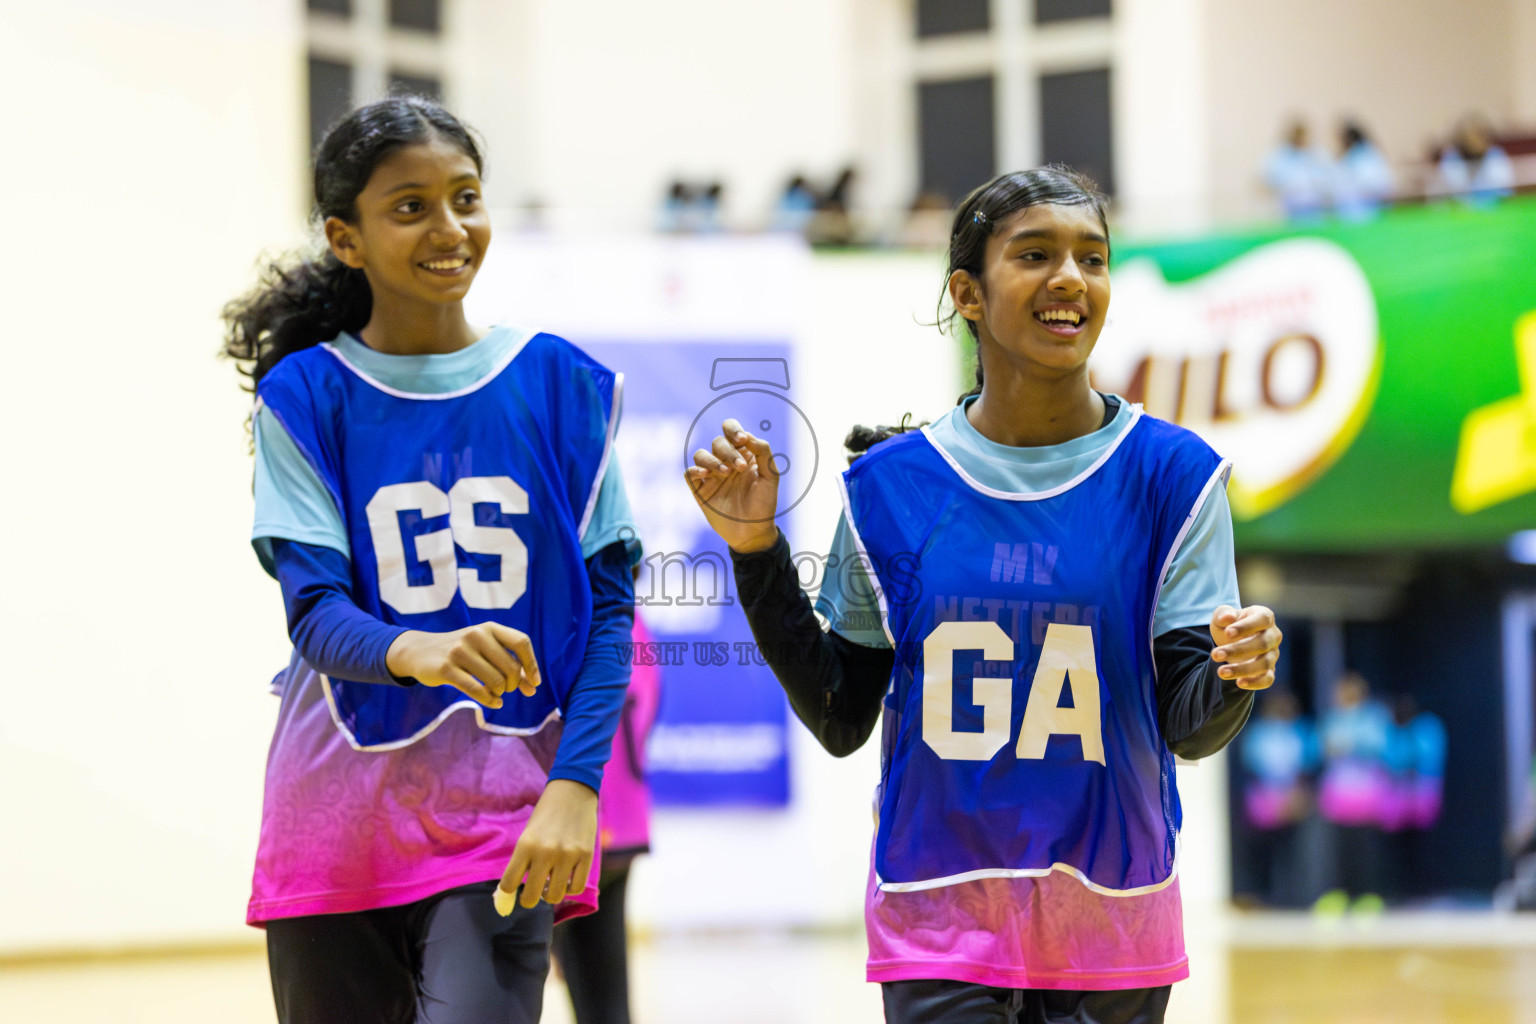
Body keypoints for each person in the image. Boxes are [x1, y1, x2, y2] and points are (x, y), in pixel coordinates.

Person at [684, 166, 1282, 1024]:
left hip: (1111, 920)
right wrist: (756, 553)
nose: (1071, 278)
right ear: (967, 292)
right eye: (1036, 255)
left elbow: (1190, 728)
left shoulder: (1174, 477)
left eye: (1092, 258)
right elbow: (841, 713)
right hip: (938, 915)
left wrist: (1234, 674)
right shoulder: (890, 488)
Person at [222, 96, 639, 1024]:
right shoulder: (306, 395)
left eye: (466, 197)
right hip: (332, 827)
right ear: (347, 237)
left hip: (506, 818)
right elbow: (315, 613)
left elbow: (612, 615)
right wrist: (425, 650)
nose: (450, 228)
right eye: (411, 207)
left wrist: (576, 787)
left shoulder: (563, 385)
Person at [554, 612, 663, 1024]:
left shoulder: (571, 618)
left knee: (515, 985)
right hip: (622, 822)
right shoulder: (634, 624)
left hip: (574, 824)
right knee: (605, 997)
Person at [1314, 671, 1392, 915]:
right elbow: (1321, 749)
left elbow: (1379, 746)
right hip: (1339, 795)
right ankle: (1339, 895)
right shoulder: (1332, 719)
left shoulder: (1372, 718)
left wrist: (1350, 746)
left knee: (1366, 850)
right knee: (1339, 850)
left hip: (1366, 794)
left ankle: (1368, 896)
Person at [1238, 690, 1317, 907]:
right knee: (1264, 851)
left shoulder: (1299, 731)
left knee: (1292, 850)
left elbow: (1306, 766)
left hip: (1293, 798)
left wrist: (1296, 794)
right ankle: (1263, 895)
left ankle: (1293, 895)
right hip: (1265, 799)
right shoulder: (1258, 733)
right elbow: (1251, 766)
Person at [1263, 118, 1332, 222]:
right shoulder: (1281, 156)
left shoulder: (1316, 153)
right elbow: (1268, 179)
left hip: (1316, 206)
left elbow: (1327, 176)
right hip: (1292, 207)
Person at [1436, 116, 1515, 206]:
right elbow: (1445, 193)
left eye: (1478, 135)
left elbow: (1505, 190)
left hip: (1494, 208)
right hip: (1460, 210)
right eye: (1469, 136)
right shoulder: (1451, 158)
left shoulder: (1496, 155)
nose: (1474, 140)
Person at [1331, 119, 1395, 220]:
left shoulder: (1364, 155)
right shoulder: (1351, 156)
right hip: (1353, 208)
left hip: (1366, 207)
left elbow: (1374, 182)